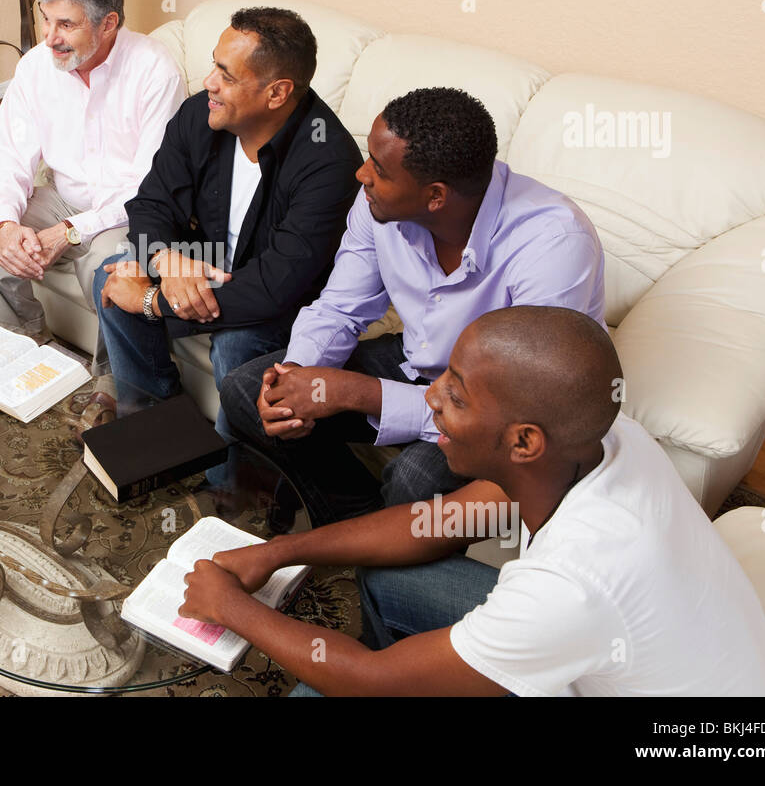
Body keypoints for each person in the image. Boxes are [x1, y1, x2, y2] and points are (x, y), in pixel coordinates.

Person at [181, 306, 765, 696]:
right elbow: (433, 524)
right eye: (445, 376)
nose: (432, 398)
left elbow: (371, 680)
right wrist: (280, 552)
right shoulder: (603, 437)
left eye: (458, 395)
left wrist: (232, 608)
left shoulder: (572, 584)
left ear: (524, 442)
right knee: (389, 576)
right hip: (639, 655)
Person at [220, 87, 606, 527]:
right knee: (249, 390)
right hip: (417, 359)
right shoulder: (377, 203)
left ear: (435, 196)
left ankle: (378, 541)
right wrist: (297, 377)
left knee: (415, 480)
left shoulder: (553, 244)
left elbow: (520, 410)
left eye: (378, 168)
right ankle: (355, 523)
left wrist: (351, 391)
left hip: (497, 402)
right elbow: (340, 308)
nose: (361, 174)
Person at [94, 7, 362, 435]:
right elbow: (149, 204)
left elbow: (274, 287)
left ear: (277, 93)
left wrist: (152, 301)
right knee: (112, 275)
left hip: (288, 293)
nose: (209, 82)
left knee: (237, 346)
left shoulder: (328, 160)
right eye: (213, 65)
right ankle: (154, 429)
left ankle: (233, 468)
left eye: (227, 75)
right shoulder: (200, 114)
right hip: (214, 259)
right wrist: (167, 261)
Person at [0, 0, 185, 341]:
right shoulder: (36, 66)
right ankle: (23, 345)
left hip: (127, 215)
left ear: (108, 23)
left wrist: (70, 232)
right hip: (64, 200)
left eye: (66, 24)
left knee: (111, 266)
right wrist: (7, 225)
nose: (49, 37)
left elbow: (148, 185)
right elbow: (7, 151)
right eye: (45, 19)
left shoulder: (155, 70)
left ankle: (110, 373)